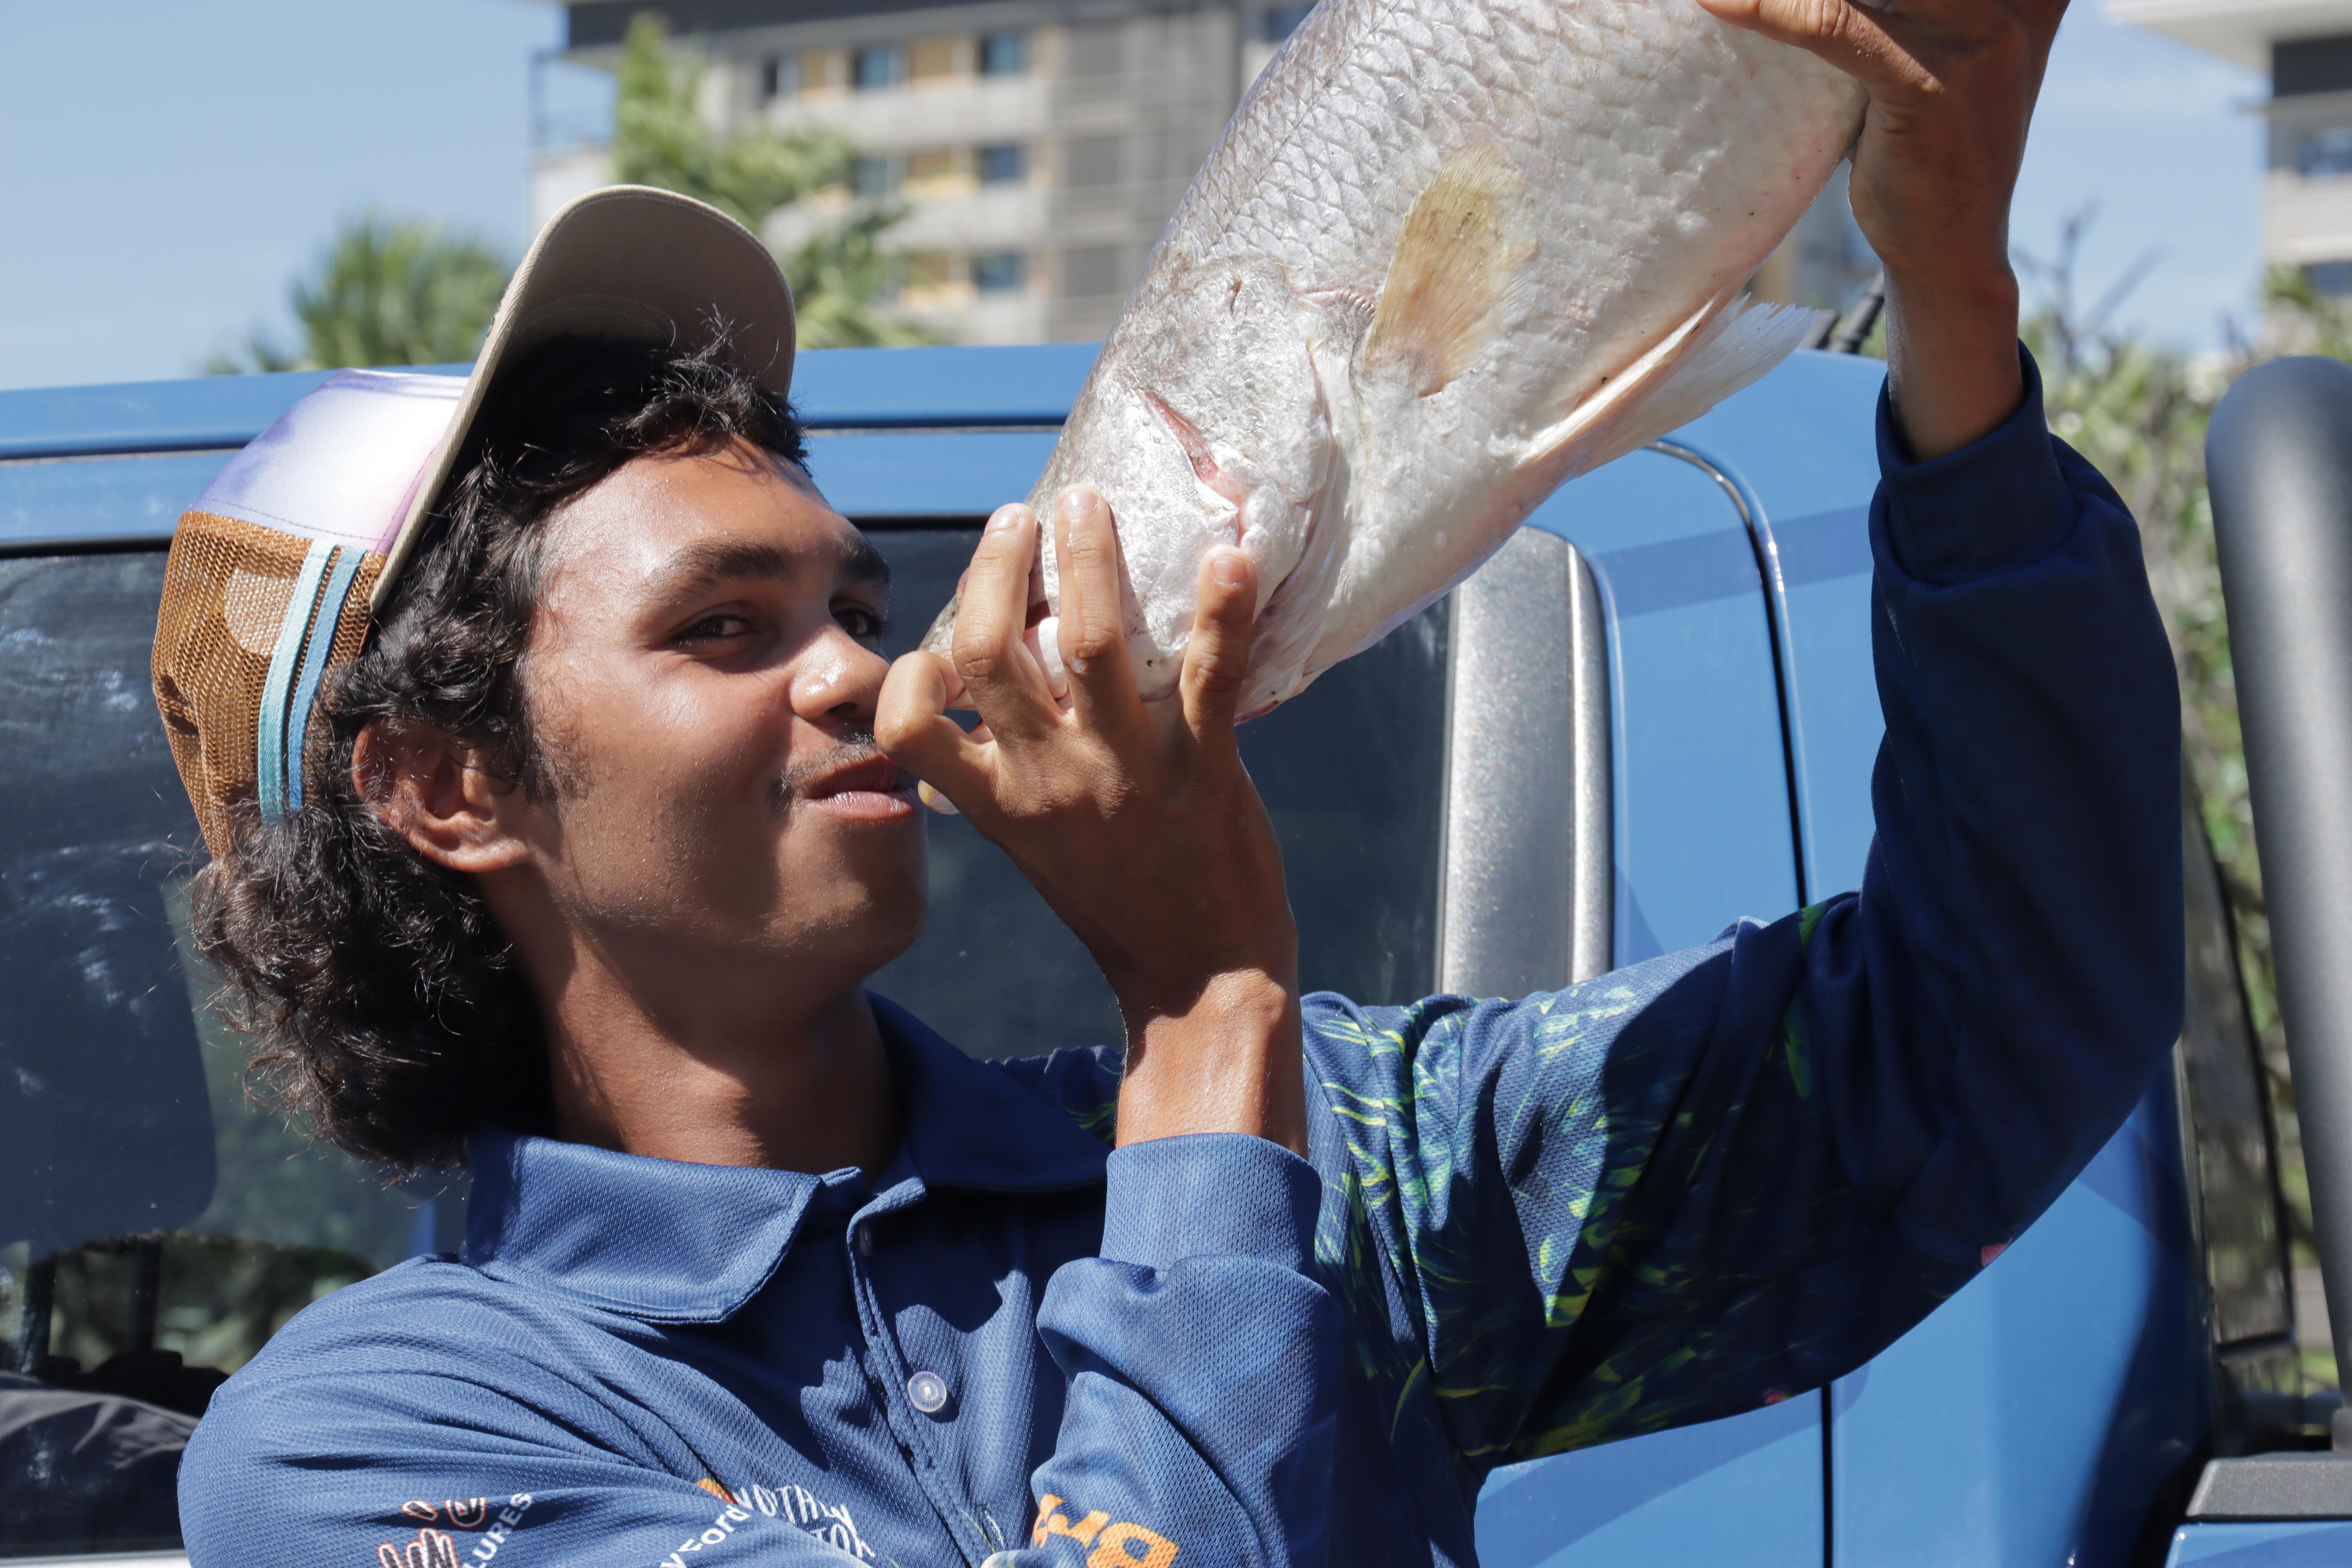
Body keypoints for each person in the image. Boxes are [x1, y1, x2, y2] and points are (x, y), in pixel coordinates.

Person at [168, 0, 2181, 1564]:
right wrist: (1205, 1010)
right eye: (725, 629)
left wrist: (1955, 318)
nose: (861, 672)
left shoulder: (1351, 1162)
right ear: (444, 790)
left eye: (851, 602)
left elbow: (2003, 1020)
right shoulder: (390, 1438)